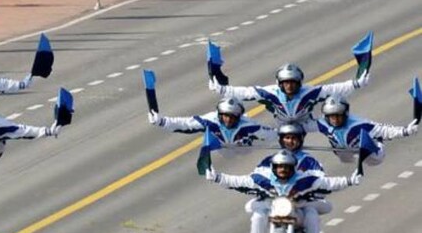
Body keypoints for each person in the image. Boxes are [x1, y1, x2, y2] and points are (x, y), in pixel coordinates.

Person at [205, 150, 359, 233]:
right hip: (273, 210)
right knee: (257, 216)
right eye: (279, 166)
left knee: (312, 217)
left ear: (294, 168)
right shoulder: (262, 179)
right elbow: (238, 181)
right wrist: (217, 177)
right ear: (273, 167)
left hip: (296, 212)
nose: (283, 170)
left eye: (287, 167)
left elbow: (329, 183)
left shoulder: (304, 180)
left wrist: (350, 180)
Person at [210, 62, 369, 131]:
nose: (290, 86)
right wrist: (221, 89)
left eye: (293, 82)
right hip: (281, 128)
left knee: (336, 120)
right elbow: (245, 93)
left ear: (300, 82)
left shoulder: (309, 92)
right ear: (280, 83)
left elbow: (334, 89)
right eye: (286, 83)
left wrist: (356, 83)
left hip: (306, 124)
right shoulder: (270, 93)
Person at [147, 97, 275, 154]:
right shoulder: (210, 120)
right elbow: (185, 124)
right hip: (219, 151)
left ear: (239, 116)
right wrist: (161, 121)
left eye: (232, 116)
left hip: (243, 151)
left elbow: (271, 134)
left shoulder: (248, 125)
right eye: (225, 115)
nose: (228, 119)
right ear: (219, 114)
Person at [316, 96, 418, 165]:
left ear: (345, 114)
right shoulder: (322, 124)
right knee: (344, 158)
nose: (335, 120)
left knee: (375, 159)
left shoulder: (359, 124)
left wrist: (405, 131)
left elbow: (384, 130)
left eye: (338, 116)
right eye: (332, 117)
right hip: (346, 151)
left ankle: (374, 142)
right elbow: (304, 126)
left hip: (372, 154)